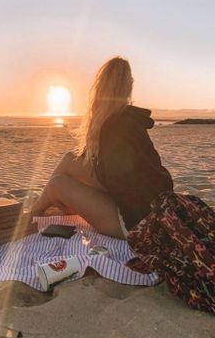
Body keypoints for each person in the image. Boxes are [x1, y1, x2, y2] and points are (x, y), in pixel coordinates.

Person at [30, 56, 173, 238]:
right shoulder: (129, 120)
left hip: (135, 224)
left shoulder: (114, 126)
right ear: (129, 86)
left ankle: (30, 218)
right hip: (155, 208)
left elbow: (118, 183)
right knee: (69, 158)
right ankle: (45, 207)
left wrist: (85, 187)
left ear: (100, 88)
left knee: (57, 184)